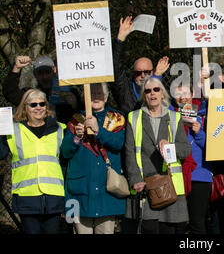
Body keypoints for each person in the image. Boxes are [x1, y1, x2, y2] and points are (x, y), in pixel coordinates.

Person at [125, 77, 191, 234]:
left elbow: (186, 150)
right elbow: (129, 153)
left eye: (156, 90)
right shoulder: (133, 118)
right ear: (144, 95)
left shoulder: (175, 117)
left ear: (163, 94)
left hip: (170, 188)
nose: (152, 93)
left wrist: (170, 147)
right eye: (148, 91)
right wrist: (135, 179)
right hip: (145, 187)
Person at [61, 83, 126, 234]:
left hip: (106, 192)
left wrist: (98, 131)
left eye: (99, 93)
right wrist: (76, 138)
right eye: (92, 93)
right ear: (85, 97)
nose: (96, 96)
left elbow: (118, 144)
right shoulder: (75, 120)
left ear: (106, 96)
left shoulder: (116, 118)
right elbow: (65, 152)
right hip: (80, 191)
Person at [0, 89, 66, 234]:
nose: (38, 107)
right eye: (33, 104)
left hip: (53, 196)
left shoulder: (60, 129)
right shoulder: (12, 130)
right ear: (25, 107)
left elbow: (68, 155)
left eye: (42, 104)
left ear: (47, 106)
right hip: (26, 197)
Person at [172, 84, 212, 234]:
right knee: (178, 223)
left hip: (200, 175)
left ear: (192, 93)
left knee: (197, 222)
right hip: (176, 176)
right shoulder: (169, 115)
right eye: (177, 93)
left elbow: (213, 148)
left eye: (185, 92)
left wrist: (199, 132)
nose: (182, 97)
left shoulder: (205, 113)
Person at [110, 16, 170, 115]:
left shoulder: (159, 91)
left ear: (152, 72)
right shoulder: (125, 91)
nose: (143, 75)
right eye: (138, 72)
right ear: (133, 73)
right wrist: (120, 39)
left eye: (147, 72)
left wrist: (157, 76)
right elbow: (116, 66)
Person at [2, 55, 81, 124]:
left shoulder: (70, 92)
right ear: (35, 74)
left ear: (54, 71)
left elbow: (82, 115)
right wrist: (16, 68)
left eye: (47, 72)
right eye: (40, 73)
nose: (44, 77)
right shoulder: (31, 94)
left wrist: (75, 105)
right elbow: (10, 92)